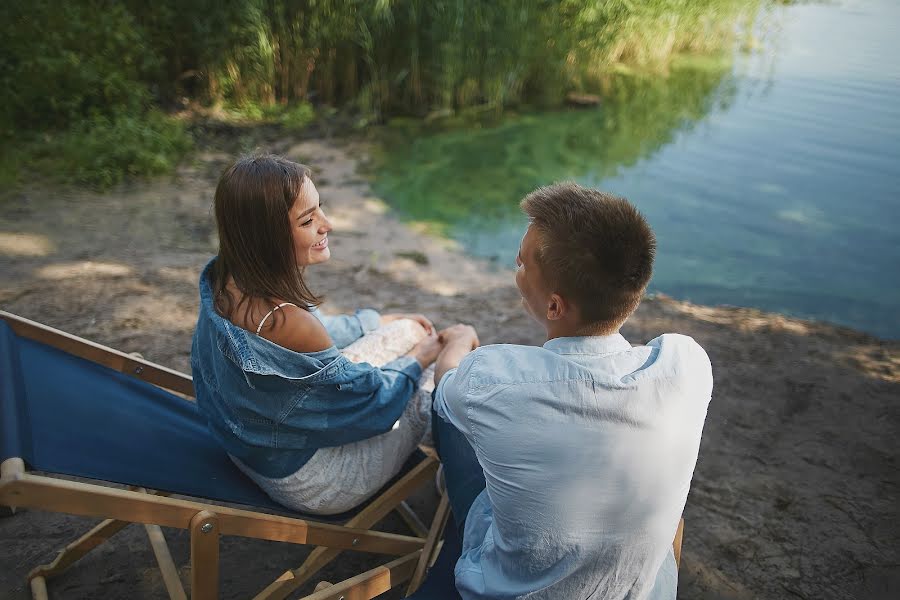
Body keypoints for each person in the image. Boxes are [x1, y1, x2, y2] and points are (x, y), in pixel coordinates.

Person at [422, 183, 713, 599]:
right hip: (637, 588)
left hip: (515, 589)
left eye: (522, 264)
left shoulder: (492, 376)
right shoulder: (688, 363)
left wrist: (458, 343)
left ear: (555, 307)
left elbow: (446, 385)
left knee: (449, 411)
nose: (516, 270)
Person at [190, 154, 448, 515]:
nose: (326, 225)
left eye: (320, 210)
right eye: (308, 220)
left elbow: (318, 332)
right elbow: (371, 407)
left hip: (253, 449)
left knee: (406, 330)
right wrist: (424, 357)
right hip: (316, 482)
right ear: (268, 239)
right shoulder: (288, 320)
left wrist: (376, 321)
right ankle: (458, 479)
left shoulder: (226, 279)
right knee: (434, 385)